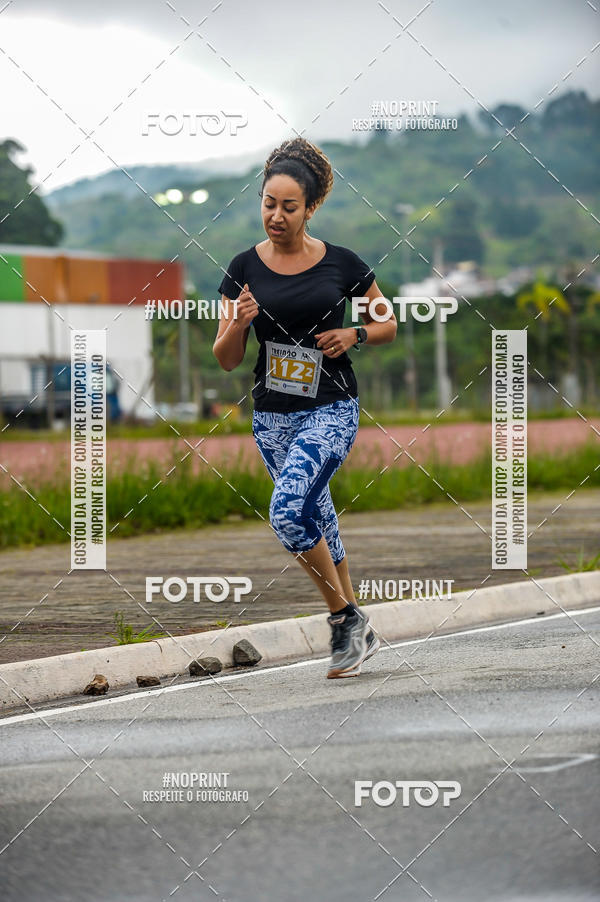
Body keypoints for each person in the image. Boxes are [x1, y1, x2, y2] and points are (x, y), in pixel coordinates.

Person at [213, 137, 397, 678]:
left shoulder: (344, 264)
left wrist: (354, 333)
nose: (275, 215)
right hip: (271, 416)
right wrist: (239, 323)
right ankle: (357, 626)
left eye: (288, 206)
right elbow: (225, 359)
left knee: (288, 511)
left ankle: (342, 620)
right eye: (268, 203)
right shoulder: (242, 268)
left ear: (310, 207)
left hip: (331, 407)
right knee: (318, 516)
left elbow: (387, 324)